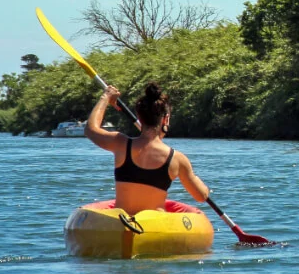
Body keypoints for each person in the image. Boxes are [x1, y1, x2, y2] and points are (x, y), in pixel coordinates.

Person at [85, 82, 210, 215]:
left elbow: (90, 129)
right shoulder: (177, 159)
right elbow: (201, 196)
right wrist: (196, 180)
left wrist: (106, 97)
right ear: (165, 119)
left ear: (140, 117)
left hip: (121, 222)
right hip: (155, 225)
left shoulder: (120, 143)